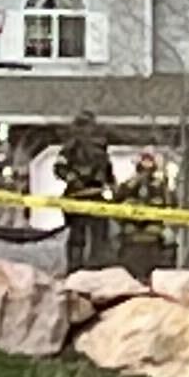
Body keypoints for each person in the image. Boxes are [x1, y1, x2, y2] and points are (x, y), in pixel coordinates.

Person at [57, 109, 117, 270]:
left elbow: (108, 171)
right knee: (78, 234)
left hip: (97, 195)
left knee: (99, 234)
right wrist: (73, 179)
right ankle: (75, 268)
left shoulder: (101, 149)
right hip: (77, 196)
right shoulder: (70, 148)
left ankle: (96, 267)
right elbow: (60, 167)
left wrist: (113, 188)